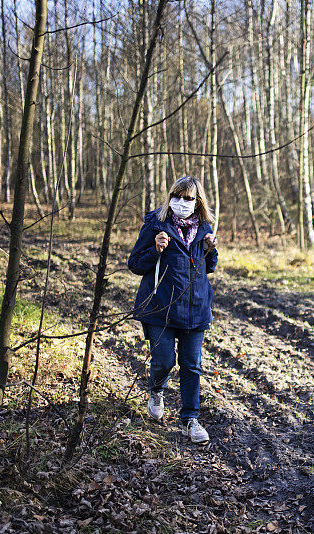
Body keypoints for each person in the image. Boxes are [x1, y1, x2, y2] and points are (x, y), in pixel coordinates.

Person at [127, 176, 219, 443]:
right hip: (160, 309)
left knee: (192, 366)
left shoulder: (205, 228)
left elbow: (208, 267)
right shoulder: (156, 224)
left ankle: (191, 420)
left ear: (197, 202)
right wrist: (156, 249)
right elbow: (135, 264)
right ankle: (156, 390)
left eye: (188, 198)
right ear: (170, 198)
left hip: (195, 308)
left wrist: (210, 250)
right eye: (177, 197)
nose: (182, 202)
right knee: (164, 361)